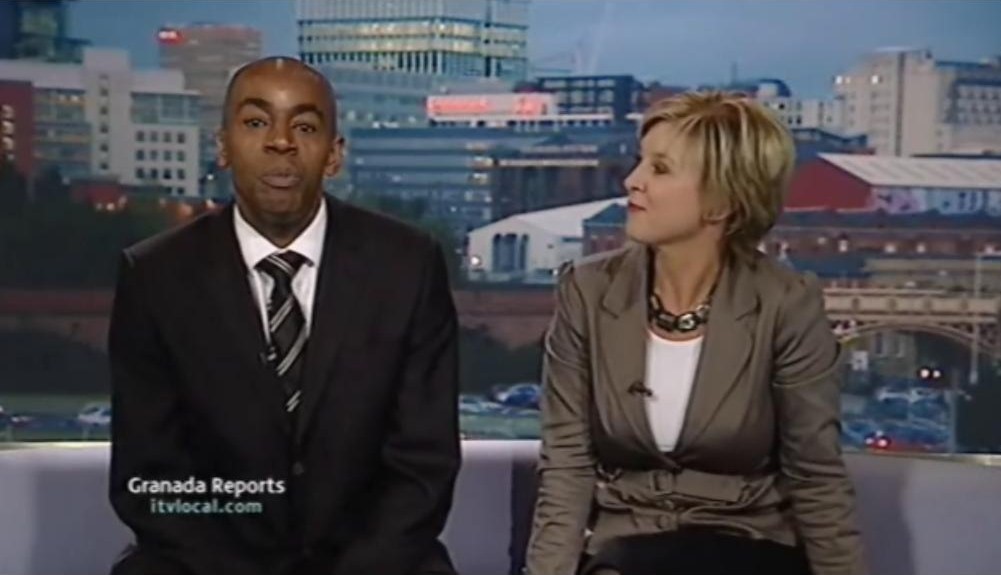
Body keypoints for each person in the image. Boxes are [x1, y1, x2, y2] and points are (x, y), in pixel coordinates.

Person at [108, 56, 460, 575]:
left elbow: (424, 465)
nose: (280, 142)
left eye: (305, 127)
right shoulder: (156, 276)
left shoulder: (409, 265)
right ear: (223, 146)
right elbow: (152, 479)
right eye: (256, 123)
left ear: (334, 154)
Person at [523, 91, 867, 575]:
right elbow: (566, 466)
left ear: (721, 202)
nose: (632, 181)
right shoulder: (588, 291)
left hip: (744, 551)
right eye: (641, 162)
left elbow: (815, 476)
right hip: (623, 555)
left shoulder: (785, 303)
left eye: (660, 169)